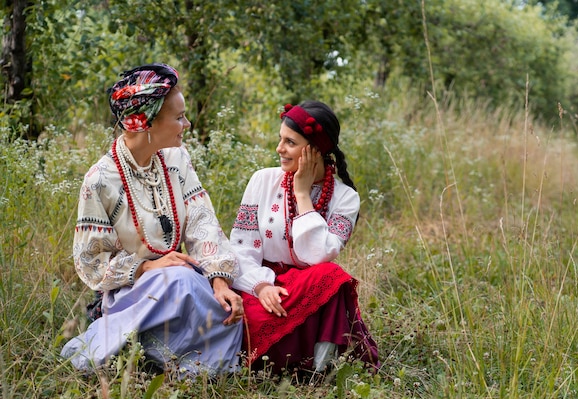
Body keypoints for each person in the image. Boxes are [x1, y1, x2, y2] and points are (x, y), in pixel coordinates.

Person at [61, 63, 243, 378]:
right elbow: (92, 261)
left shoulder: (178, 159)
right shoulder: (100, 180)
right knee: (182, 281)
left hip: (183, 280)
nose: (186, 123)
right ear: (146, 122)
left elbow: (203, 224)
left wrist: (219, 280)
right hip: (133, 291)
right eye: (178, 117)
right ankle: (101, 347)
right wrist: (148, 266)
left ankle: (158, 358)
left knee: (228, 309)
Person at [230, 100, 380, 375]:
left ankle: (320, 368)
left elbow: (318, 256)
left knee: (331, 276)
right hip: (262, 283)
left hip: (309, 289)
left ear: (314, 150)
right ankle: (286, 360)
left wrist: (301, 195)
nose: (279, 149)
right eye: (280, 139)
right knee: (250, 318)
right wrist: (262, 287)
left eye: (290, 142)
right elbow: (241, 247)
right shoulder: (262, 180)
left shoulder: (346, 198)